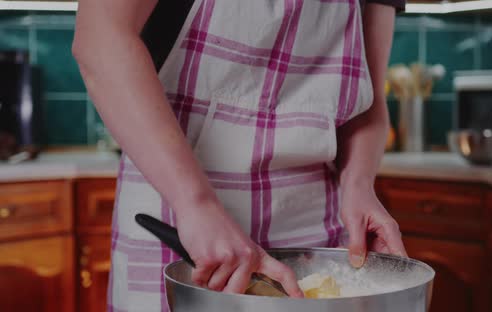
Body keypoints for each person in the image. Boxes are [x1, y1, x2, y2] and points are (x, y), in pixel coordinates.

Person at [73, 0, 407, 310]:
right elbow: (101, 41)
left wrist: (358, 185)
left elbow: (367, 101)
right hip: (181, 220)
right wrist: (196, 204)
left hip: (315, 233)